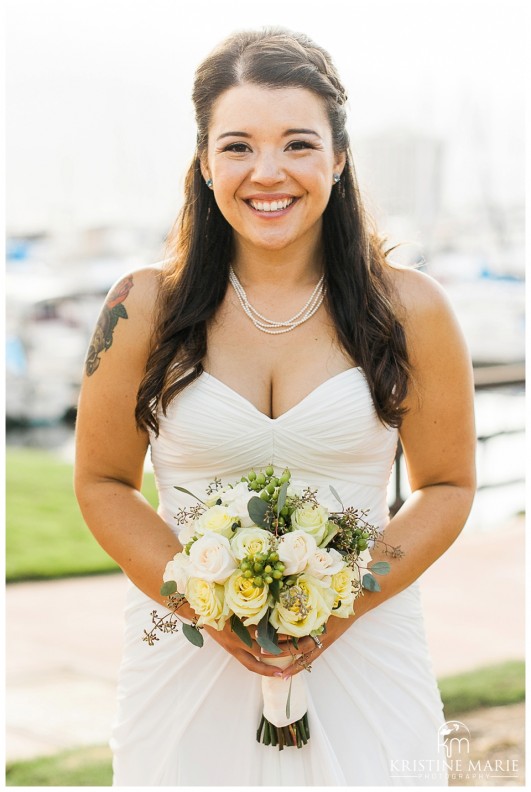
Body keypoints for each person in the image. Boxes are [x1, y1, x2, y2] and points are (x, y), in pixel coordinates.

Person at [74, 27, 476, 786]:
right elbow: (101, 482)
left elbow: (446, 486)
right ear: (203, 161)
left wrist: (340, 605)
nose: (268, 173)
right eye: (237, 146)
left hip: (366, 652)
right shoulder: (140, 307)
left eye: (297, 144)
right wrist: (207, 604)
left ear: (338, 158)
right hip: (185, 657)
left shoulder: (412, 309)